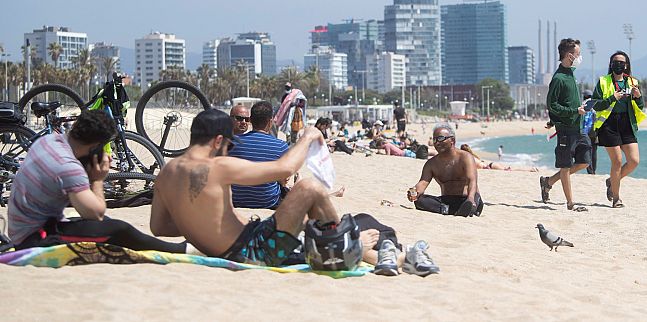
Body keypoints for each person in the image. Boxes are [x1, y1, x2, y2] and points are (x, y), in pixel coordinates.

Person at [151, 109, 437, 274]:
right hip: (255, 250)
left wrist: (201, 226)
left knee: (307, 229)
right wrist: (309, 136)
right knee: (309, 187)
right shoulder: (218, 166)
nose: (227, 150)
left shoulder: (165, 174)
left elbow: (159, 227)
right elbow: (285, 169)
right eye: (228, 145)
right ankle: (351, 246)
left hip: (245, 243)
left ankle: (397, 257)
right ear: (217, 140)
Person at [8, 110, 189, 253]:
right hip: (34, 239)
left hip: (25, 229)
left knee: (106, 226)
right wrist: (97, 179)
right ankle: (178, 250)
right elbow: (96, 214)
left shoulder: (49, 141)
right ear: (96, 145)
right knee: (118, 229)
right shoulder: (68, 166)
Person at [539, 38, 591, 212]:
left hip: (579, 127)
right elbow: (552, 104)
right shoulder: (559, 78)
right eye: (578, 54)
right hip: (566, 129)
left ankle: (548, 182)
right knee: (565, 166)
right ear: (569, 55)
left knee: (584, 161)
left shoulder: (571, 74)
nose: (579, 57)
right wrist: (572, 112)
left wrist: (581, 109)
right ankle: (571, 204)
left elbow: (567, 102)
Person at [592, 51, 646, 208]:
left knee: (634, 161)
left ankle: (612, 181)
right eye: (616, 62)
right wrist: (612, 98)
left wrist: (638, 96)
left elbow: (640, 106)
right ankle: (616, 198)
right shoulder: (603, 82)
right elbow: (596, 104)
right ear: (611, 64)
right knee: (617, 161)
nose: (619, 65)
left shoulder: (633, 82)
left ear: (627, 65)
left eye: (622, 62)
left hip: (626, 123)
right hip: (608, 124)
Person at [407, 124, 483, 217]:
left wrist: (470, 198)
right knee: (420, 201)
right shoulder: (431, 164)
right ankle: (451, 210)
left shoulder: (465, 157)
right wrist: (414, 192)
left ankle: (466, 208)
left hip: (468, 198)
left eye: (440, 138)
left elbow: (472, 181)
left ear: (452, 140)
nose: (437, 142)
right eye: (434, 139)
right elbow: (422, 183)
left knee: (471, 204)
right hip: (447, 200)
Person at [228, 101, 290, 209]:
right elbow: (284, 178)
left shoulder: (230, 143)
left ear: (250, 120)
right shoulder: (281, 146)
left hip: (236, 200)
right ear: (270, 122)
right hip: (267, 202)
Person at [583, 91, 599, 175]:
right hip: (595, 130)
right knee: (594, 151)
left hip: (586, 131)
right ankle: (594, 170)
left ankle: (590, 170)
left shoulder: (583, 104)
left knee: (587, 150)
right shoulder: (595, 104)